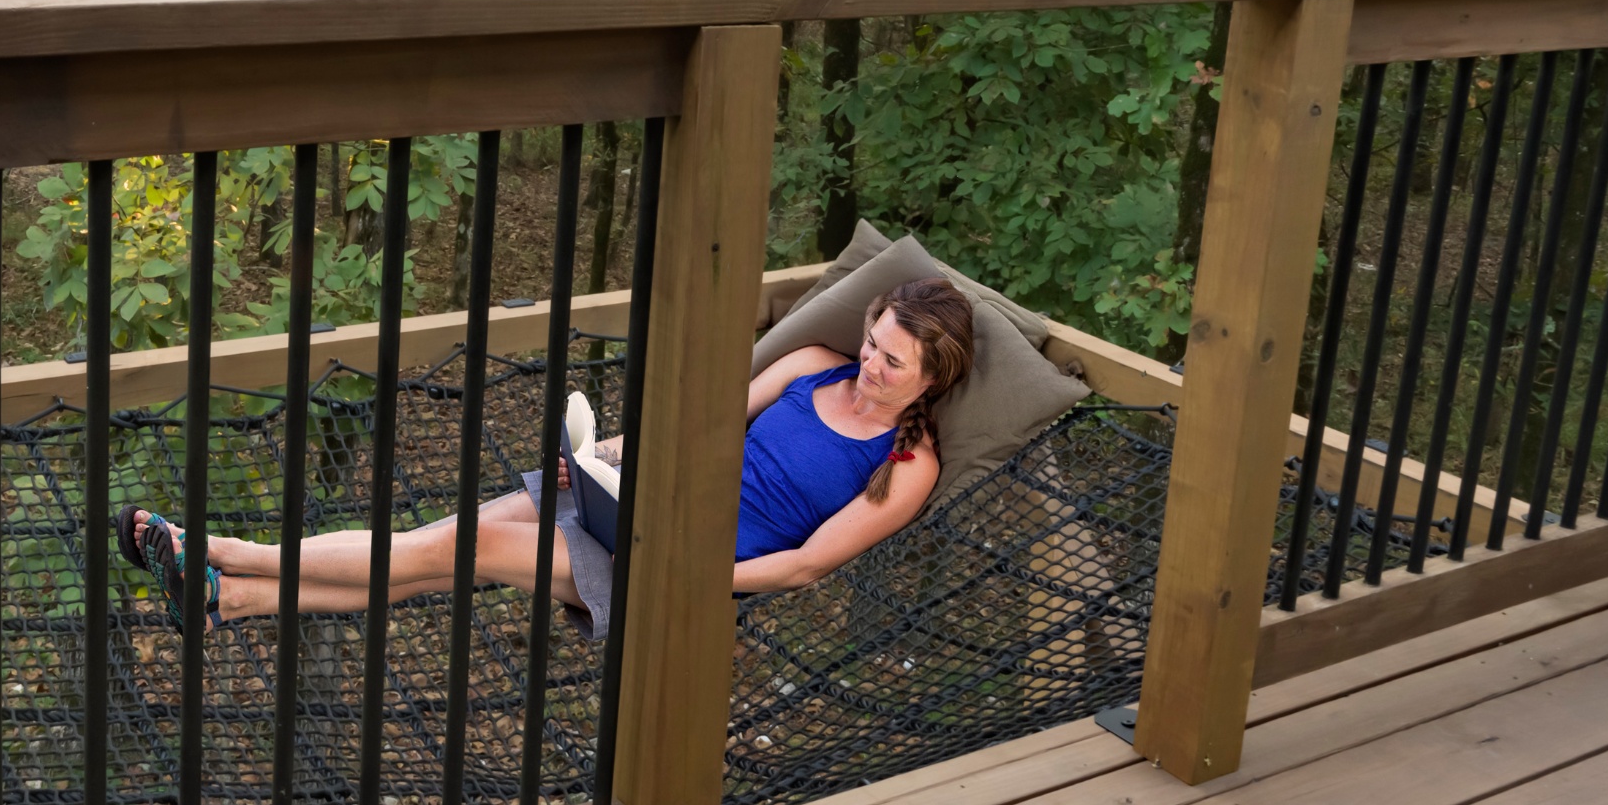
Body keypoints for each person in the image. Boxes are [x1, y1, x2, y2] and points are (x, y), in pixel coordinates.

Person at [113, 276, 975, 633]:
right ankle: (230, 601)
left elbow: (803, 568)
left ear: (932, 378)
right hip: (633, 495)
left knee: (454, 549)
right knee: (434, 549)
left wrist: (687, 576)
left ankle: (218, 551)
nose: (870, 362)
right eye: (872, 340)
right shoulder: (812, 366)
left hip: (674, 559)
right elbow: (696, 434)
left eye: (893, 361)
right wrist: (605, 454)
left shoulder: (910, 465)